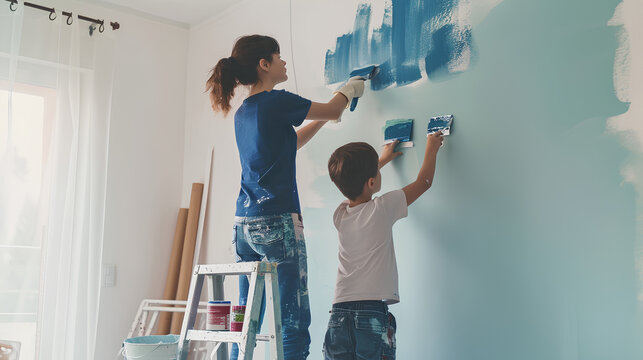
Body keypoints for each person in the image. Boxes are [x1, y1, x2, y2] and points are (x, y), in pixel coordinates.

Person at [206, 34, 365, 360]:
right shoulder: (278, 101)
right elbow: (334, 106)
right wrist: (349, 88)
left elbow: (290, 144)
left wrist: (327, 117)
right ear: (264, 65)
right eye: (279, 58)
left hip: (244, 227)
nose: (284, 62)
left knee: (247, 314)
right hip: (276, 223)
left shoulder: (245, 112)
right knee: (292, 319)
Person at [323, 132, 444, 359]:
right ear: (371, 181)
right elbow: (423, 183)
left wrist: (382, 159)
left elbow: (351, 180)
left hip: (338, 312)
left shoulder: (340, 215)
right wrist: (432, 147)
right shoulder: (382, 208)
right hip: (370, 312)